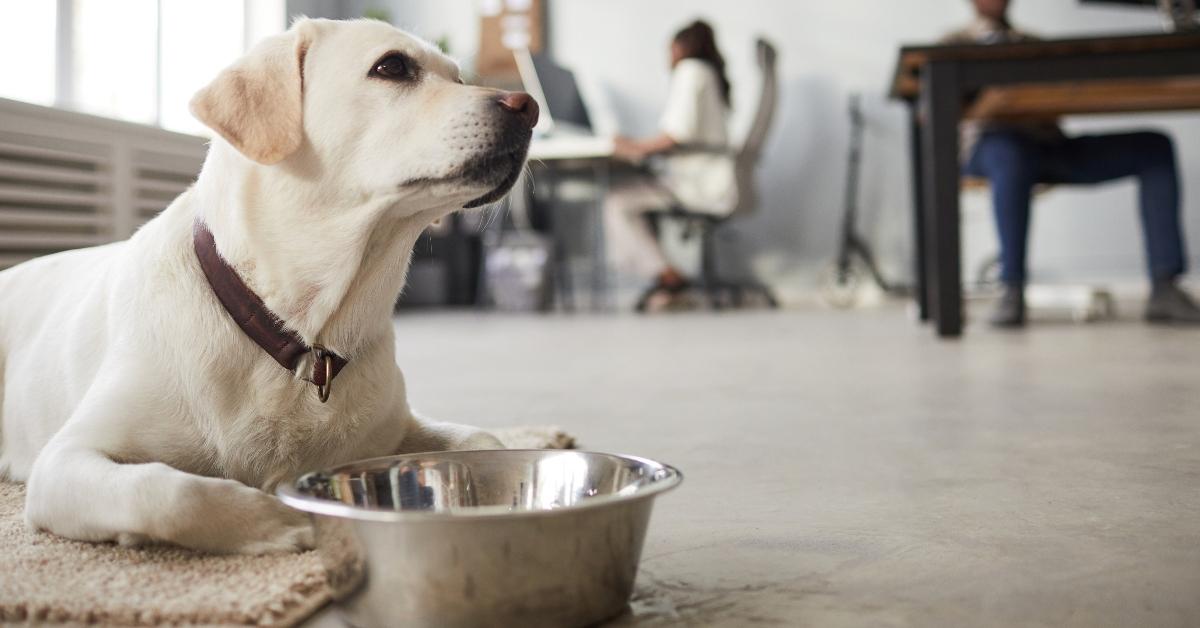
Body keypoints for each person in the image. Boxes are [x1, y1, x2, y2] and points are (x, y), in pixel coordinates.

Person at [948, 0, 1200, 327]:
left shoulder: (1035, 45)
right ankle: (1011, 288)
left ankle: (1166, 286)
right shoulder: (953, 44)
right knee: (1011, 152)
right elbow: (933, 110)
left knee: (1154, 146)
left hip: (1048, 146)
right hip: (990, 149)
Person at [604, 20, 738, 304]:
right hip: (713, 178)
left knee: (617, 201)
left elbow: (676, 135)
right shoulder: (711, 74)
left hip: (699, 184)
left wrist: (632, 146)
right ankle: (666, 279)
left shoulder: (691, 71)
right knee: (635, 196)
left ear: (680, 48)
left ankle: (666, 275)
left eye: (670, 50)